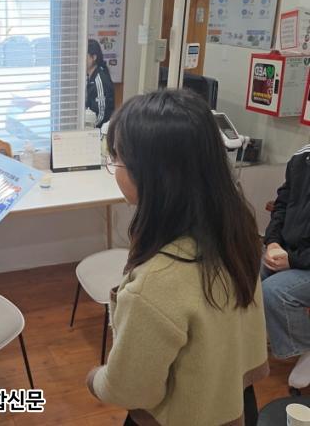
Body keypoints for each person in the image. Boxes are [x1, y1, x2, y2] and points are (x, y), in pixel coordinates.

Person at [86, 89, 268, 425]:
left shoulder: (156, 283)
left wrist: (95, 379)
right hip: (236, 402)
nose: (114, 167)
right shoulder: (237, 233)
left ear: (153, 175)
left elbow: (130, 390)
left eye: (117, 158)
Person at [262, 145, 310, 392]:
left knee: (275, 291)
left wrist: (293, 261)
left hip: (301, 260)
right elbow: (281, 205)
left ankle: (304, 345)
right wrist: (272, 243)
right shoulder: (301, 158)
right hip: (293, 252)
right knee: (246, 274)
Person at [85, 38, 115, 128]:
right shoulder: (89, 76)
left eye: (84, 56)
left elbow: (101, 115)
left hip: (98, 131)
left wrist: (87, 129)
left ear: (94, 57)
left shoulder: (100, 80)